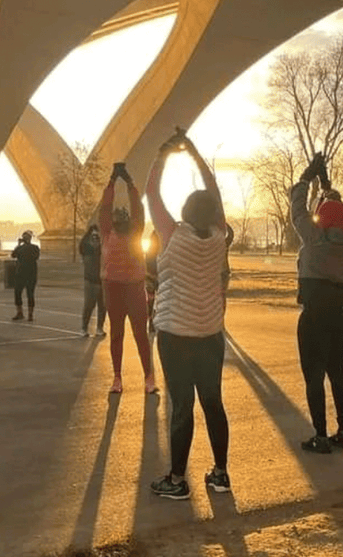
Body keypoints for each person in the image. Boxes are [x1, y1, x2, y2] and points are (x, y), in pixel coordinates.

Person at [146, 130, 232, 500]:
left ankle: (177, 479)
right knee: (213, 402)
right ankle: (220, 473)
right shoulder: (218, 235)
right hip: (210, 334)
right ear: (212, 212)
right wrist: (196, 154)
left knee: (182, 405)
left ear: (184, 211)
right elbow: (214, 190)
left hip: (175, 335)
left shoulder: (171, 234)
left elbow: (151, 192)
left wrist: (164, 153)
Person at [291, 152, 343, 454]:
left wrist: (306, 178)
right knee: (338, 370)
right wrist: (326, 184)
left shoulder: (314, 239)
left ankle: (320, 434)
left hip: (316, 309)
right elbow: (334, 211)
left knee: (314, 374)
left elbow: (298, 211)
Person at [99, 162, 156, 395]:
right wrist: (113, 181)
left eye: (123, 218)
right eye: (117, 218)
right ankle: (117, 377)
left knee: (141, 334)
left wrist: (130, 182)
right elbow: (105, 207)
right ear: (114, 221)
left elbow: (138, 208)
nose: (120, 220)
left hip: (134, 287)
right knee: (116, 334)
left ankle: (149, 376)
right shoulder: (106, 232)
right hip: (113, 288)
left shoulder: (135, 232)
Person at [78, 224, 106, 337]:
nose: (95, 239)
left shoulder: (103, 248)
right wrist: (89, 237)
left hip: (103, 281)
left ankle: (100, 328)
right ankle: (84, 328)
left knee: (103, 307)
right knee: (89, 306)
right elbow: (82, 247)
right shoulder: (87, 248)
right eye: (93, 236)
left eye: (97, 236)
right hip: (90, 281)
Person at [10, 230, 40, 322]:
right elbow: (13, 255)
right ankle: (24, 313)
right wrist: (19, 245)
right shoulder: (33, 248)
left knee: (24, 294)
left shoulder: (32, 248)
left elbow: (13, 255)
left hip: (26, 274)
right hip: (26, 274)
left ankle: (25, 313)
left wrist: (19, 245)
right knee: (23, 294)